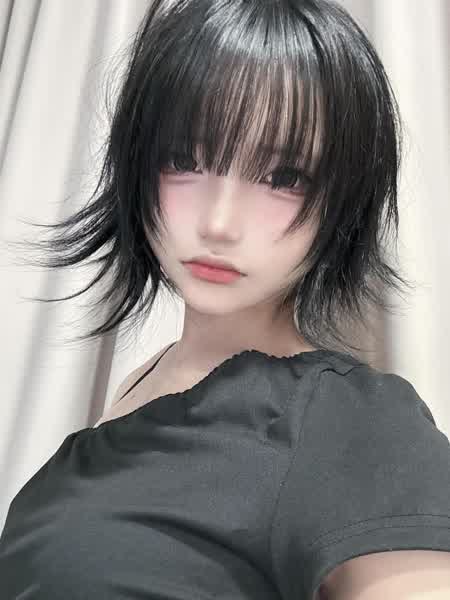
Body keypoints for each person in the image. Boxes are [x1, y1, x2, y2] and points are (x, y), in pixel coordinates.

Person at [1, 1, 449, 599]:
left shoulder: (350, 421)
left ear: (344, 198)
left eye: (284, 177)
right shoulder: (141, 386)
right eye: (183, 160)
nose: (218, 222)